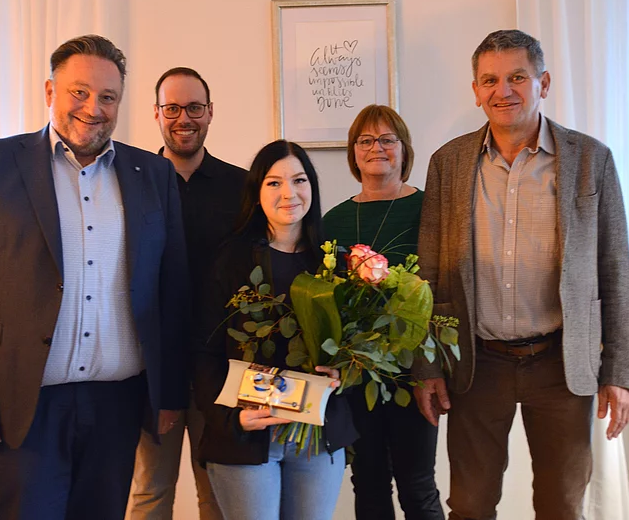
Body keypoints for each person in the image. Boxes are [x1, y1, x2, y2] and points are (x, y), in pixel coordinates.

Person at [0, 34, 189, 520]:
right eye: (79, 92)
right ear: (50, 91)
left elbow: (171, 291)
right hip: (22, 404)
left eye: (108, 97)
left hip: (117, 403)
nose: (93, 108)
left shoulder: (153, 174)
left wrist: (169, 393)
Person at [412, 29, 629, 520]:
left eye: (517, 77)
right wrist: (426, 365)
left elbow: (615, 268)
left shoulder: (590, 159)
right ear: (476, 91)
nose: (504, 90)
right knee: (470, 505)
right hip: (478, 363)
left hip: (561, 363)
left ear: (544, 83)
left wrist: (621, 372)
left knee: (561, 505)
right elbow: (428, 273)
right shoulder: (448, 163)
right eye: (490, 80)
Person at [193, 140, 358, 520]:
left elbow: (353, 349)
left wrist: (345, 372)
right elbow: (204, 352)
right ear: (256, 191)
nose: (289, 193)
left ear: (312, 187)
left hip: (316, 437)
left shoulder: (335, 263)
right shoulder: (230, 260)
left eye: (299, 180)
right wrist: (231, 420)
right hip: (247, 434)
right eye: (274, 182)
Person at [130, 67, 245, 520]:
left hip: (219, 365)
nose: (184, 118)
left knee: (215, 491)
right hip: (152, 366)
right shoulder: (133, 183)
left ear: (210, 112)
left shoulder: (242, 188)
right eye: (173, 108)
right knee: (150, 490)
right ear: (156, 113)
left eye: (194, 107)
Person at [322, 104, 444, 520]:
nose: (377, 148)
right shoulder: (333, 221)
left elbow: (444, 289)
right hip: (357, 374)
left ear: (404, 149)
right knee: (368, 482)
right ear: (354, 152)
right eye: (366, 140)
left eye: (387, 139)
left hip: (414, 371)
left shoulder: (430, 210)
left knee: (417, 484)